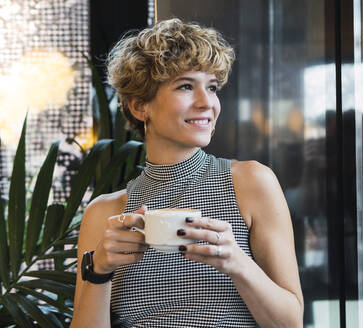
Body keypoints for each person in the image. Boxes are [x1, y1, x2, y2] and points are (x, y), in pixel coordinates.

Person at [71, 18, 303, 327]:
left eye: (211, 87)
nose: (207, 103)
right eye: (185, 86)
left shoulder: (251, 182)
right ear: (140, 107)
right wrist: (98, 270)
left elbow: (291, 323)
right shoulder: (103, 213)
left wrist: (236, 261)